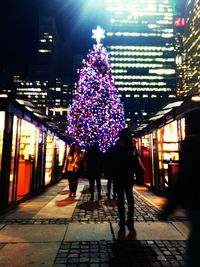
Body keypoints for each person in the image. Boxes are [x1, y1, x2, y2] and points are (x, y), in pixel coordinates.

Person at [159, 132, 200, 267]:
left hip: (195, 206)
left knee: (196, 240)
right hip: (194, 205)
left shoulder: (188, 165)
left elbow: (179, 189)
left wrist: (166, 212)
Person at [111, 128, 136, 230]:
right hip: (129, 175)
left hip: (118, 175)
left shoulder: (116, 147)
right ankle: (130, 218)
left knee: (120, 198)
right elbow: (135, 161)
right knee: (130, 196)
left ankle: (122, 219)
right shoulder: (132, 147)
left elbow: (110, 159)